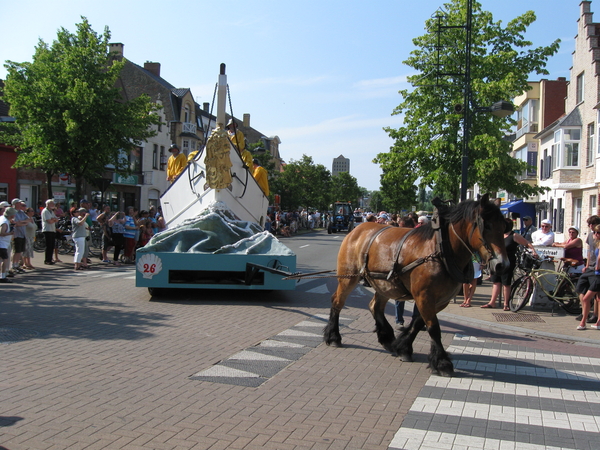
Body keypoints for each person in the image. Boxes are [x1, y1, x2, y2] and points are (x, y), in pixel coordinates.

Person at [482, 218, 538, 310]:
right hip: (496, 261)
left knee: (506, 283)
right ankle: (492, 302)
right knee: (496, 282)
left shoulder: (514, 235)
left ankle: (506, 304)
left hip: (508, 262)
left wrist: (534, 251)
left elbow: (527, 243)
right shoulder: (498, 235)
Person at [577, 224, 600, 330]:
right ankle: (598, 322)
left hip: (598, 275)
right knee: (598, 298)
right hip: (595, 272)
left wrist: (597, 265)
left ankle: (583, 323)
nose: (595, 234)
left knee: (586, 298)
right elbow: (591, 254)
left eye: (597, 232)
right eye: (595, 232)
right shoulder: (597, 243)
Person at [10, 199, 33, 275]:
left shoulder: (21, 212)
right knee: (16, 251)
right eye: (20, 204)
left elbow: (28, 220)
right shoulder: (13, 212)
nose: (21, 205)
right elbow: (16, 223)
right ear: (15, 204)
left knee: (20, 251)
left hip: (23, 234)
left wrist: (22, 222)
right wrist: (23, 223)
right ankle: (13, 266)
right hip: (17, 234)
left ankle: (17, 265)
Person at [0, 207, 16, 283]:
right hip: (2, 244)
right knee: (5, 260)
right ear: (11, 215)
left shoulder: (3, 218)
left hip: (3, 244)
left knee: (1, 260)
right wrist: (10, 233)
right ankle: (2, 277)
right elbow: (1, 232)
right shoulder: (4, 222)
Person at [41, 199, 59, 265]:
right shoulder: (45, 211)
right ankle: (47, 260)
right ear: (48, 204)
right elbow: (49, 221)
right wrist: (53, 220)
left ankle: (50, 258)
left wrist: (53, 219)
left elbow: (56, 219)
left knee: (52, 245)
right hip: (47, 229)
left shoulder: (51, 211)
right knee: (48, 246)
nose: (53, 205)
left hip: (52, 229)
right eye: (52, 204)